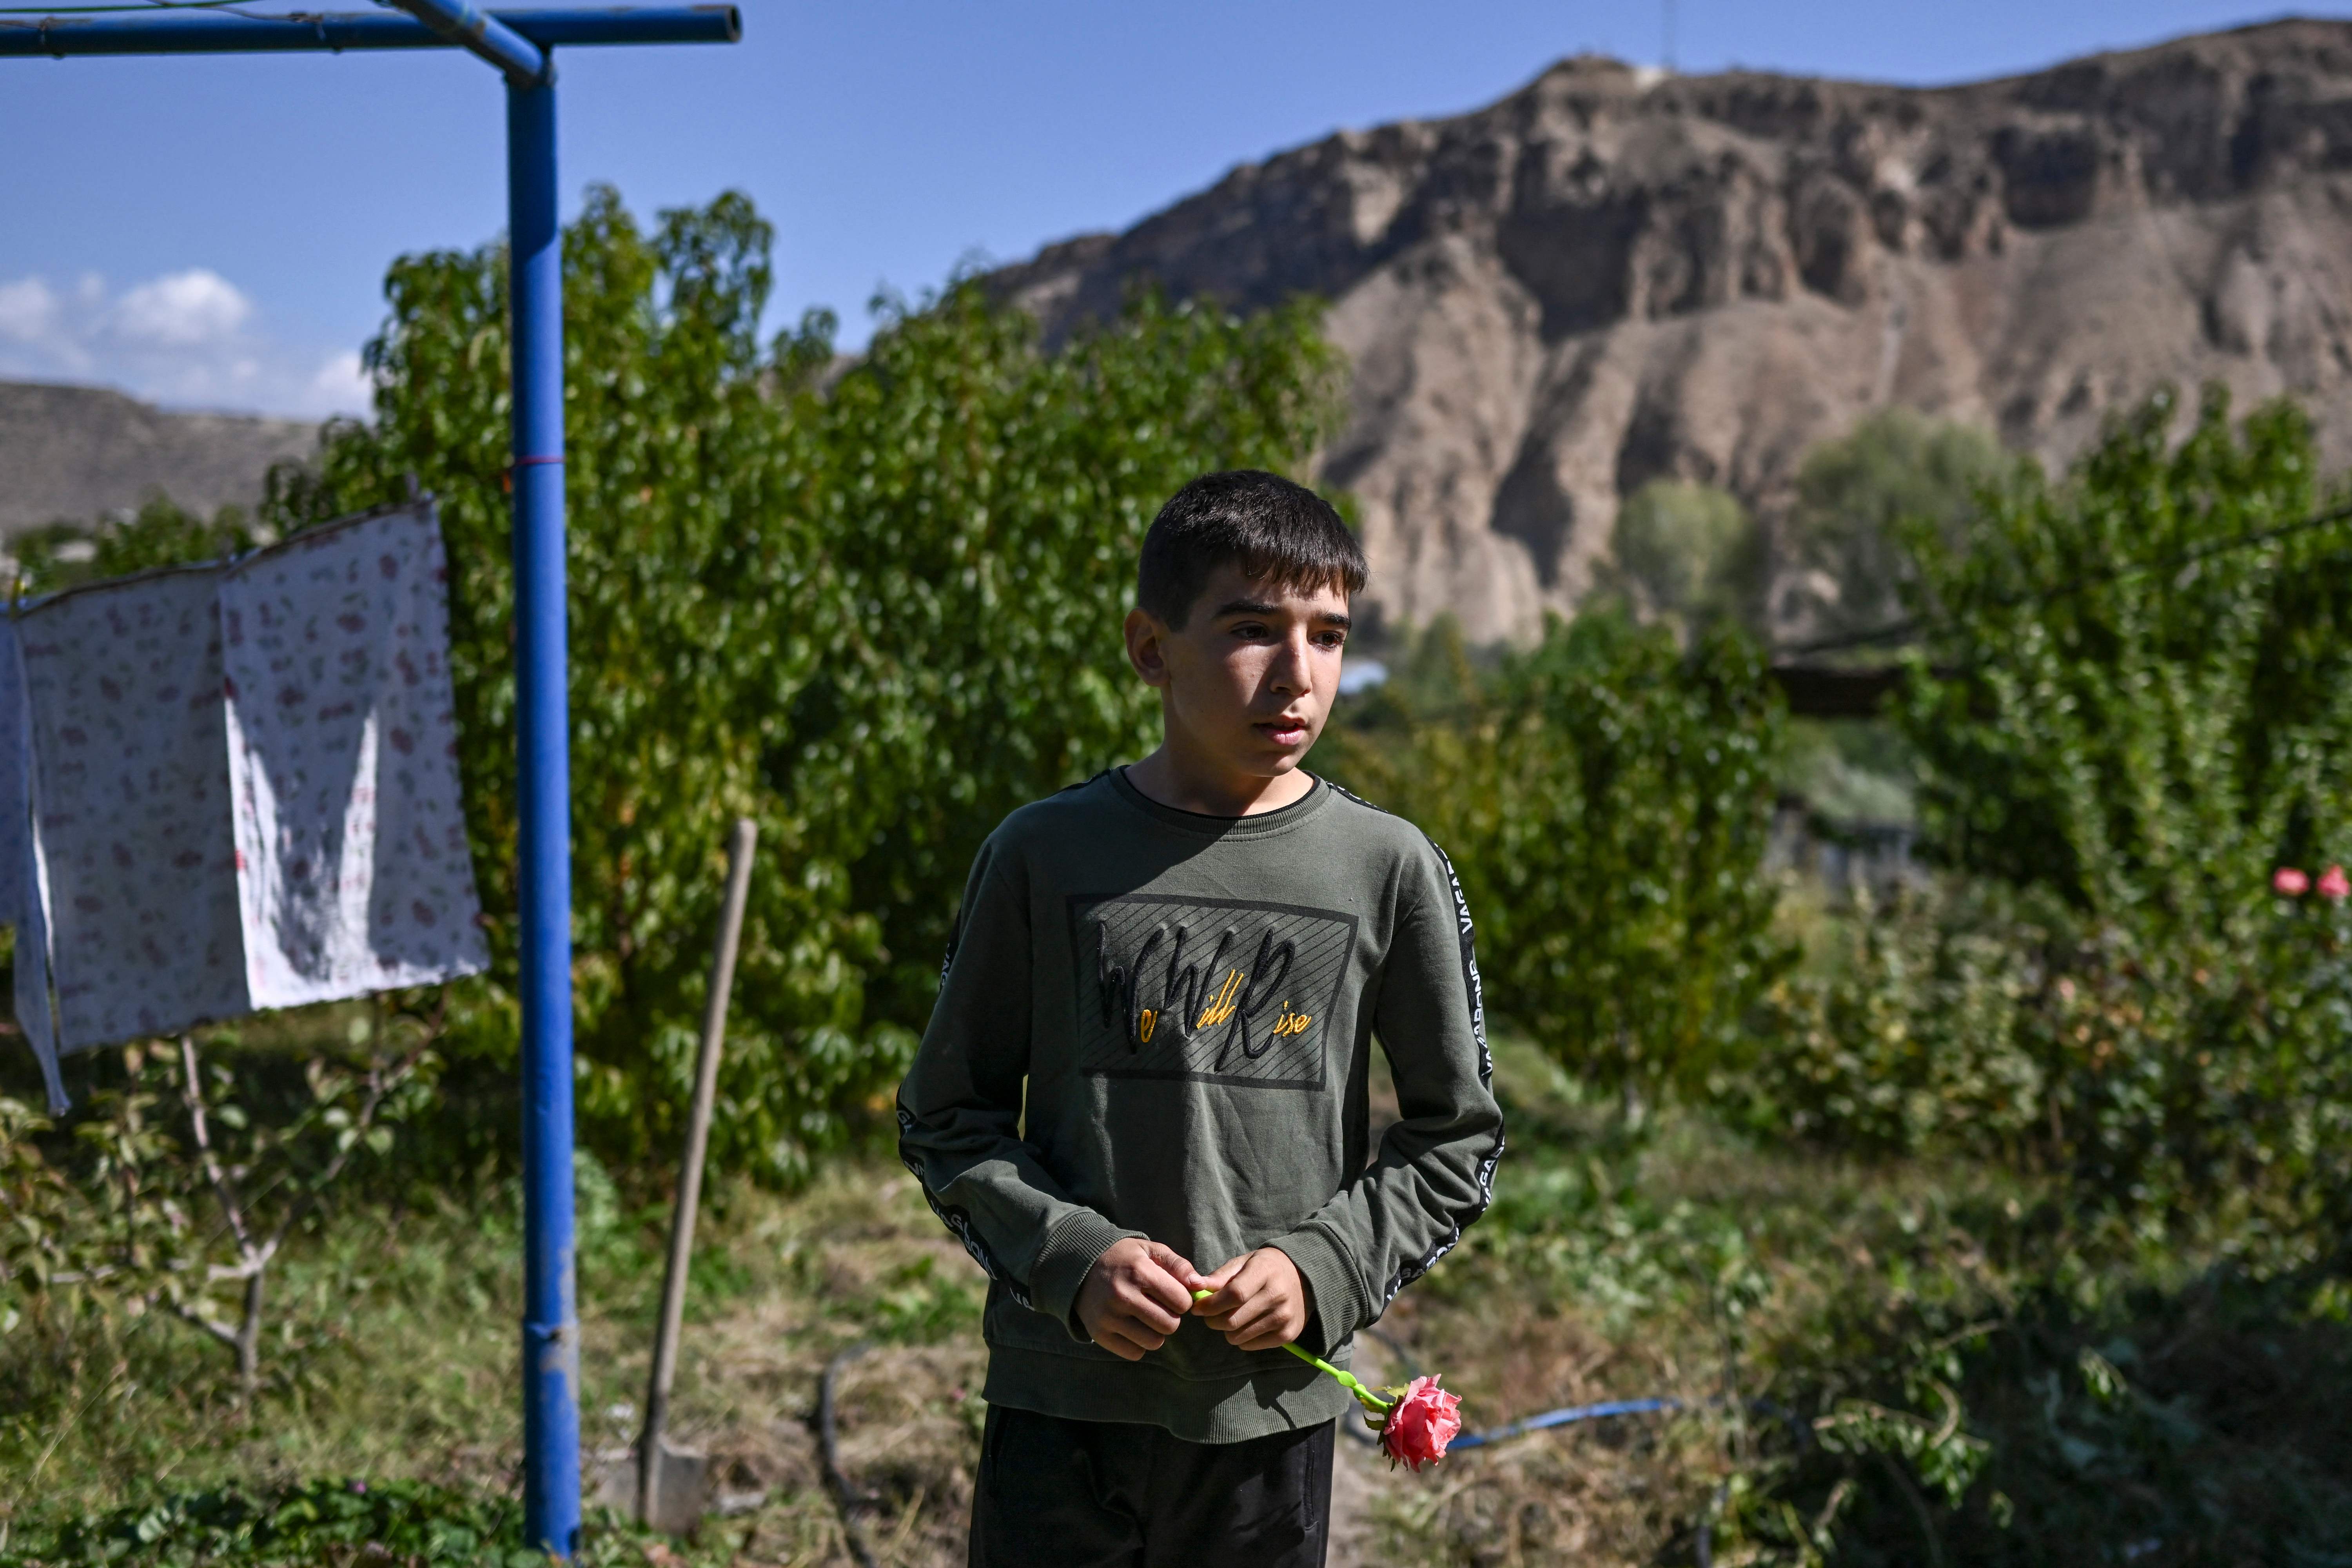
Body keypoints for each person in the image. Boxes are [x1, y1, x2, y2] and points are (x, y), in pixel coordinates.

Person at [895, 469, 1505, 1567]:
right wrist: (1073, 1257)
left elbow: (1458, 1140)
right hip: (1063, 1408)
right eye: (1251, 629)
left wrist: (1323, 1270)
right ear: (1150, 648)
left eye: (1328, 637)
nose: (1297, 675)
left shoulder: (1388, 870)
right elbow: (944, 1117)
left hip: (1266, 1422)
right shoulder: (1043, 856)